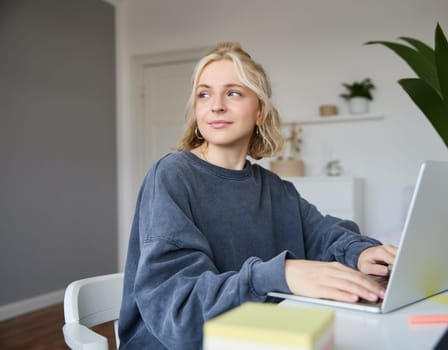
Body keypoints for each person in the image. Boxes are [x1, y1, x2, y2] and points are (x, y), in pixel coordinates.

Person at [118, 42, 397, 349]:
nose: (217, 105)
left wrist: (360, 252)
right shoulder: (171, 177)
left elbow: (325, 234)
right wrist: (280, 274)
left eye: (234, 92)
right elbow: (179, 312)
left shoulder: (276, 189)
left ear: (260, 110)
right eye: (204, 94)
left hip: (258, 337)